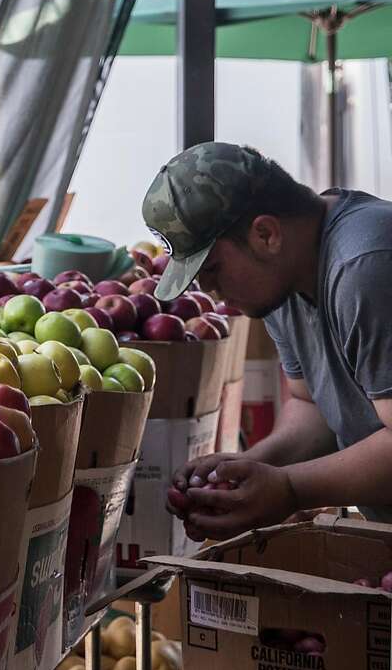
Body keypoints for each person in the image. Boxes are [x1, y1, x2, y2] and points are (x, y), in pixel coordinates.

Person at [147, 142, 392, 540]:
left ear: (265, 233)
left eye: (212, 270)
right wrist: (244, 469)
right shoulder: (281, 280)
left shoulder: (363, 266)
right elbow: (311, 405)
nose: (211, 292)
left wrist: (289, 489)